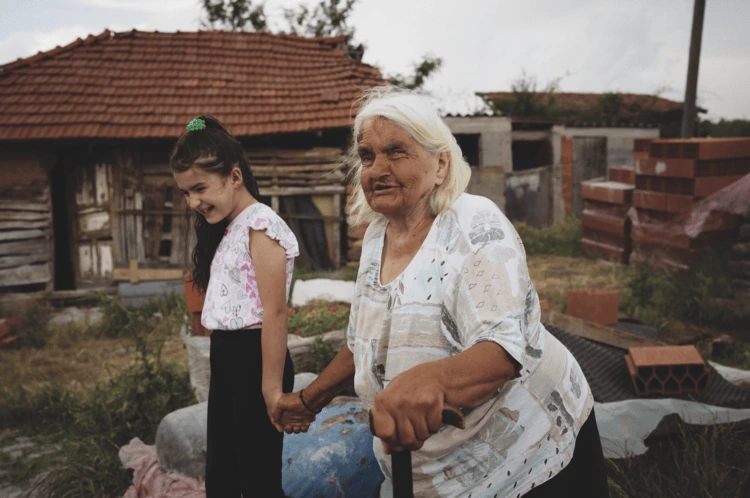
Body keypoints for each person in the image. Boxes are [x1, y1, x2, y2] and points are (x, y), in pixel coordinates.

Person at [272, 88, 610, 498]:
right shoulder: (378, 236)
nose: (377, 169)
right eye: (367, 156)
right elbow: (363, 339)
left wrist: (428, 378)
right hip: (434, 466)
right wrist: (310, 400)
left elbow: (502, 348)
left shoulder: (475, 227)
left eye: (396, 151)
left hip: (529, 451)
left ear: (440, 164)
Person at [171, 116, 305, 498]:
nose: (193, 202)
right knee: (224, 474)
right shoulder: (231, 227)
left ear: (234, 177)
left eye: (199, 188)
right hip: (228, 355)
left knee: (258, 478)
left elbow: (275, 313)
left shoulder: (261, 225)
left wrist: (271, 387)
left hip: (256, 359)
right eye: (185, 193)